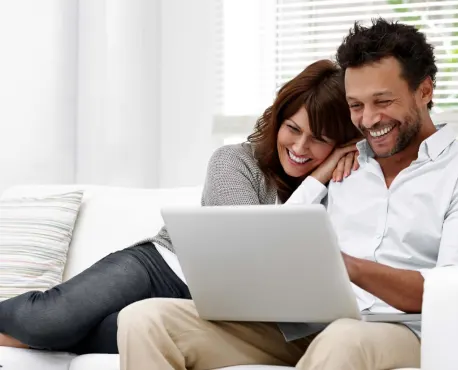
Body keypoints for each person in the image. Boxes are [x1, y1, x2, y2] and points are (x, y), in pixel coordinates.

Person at [116, 18, 458, 370]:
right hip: (303, 328)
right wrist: (318, 176)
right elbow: (274, 241)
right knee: (146, 319)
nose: (369, 120)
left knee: (343, 339)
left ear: (424, 90)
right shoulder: (345, 163)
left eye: (383, 102)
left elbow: (453, 294)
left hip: (402, 332)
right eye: (356, 105)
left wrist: (345, 266)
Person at [0, 60, 361, 354]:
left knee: (114, 333)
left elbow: (273, 282)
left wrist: (324, 183)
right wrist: (317, 180)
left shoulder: (342, 191)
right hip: (158, 266)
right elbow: (256, 247)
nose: (300, 146)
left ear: (340, 143)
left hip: (205, 310)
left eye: (319, 139)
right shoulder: (234, 161)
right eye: (292, 128)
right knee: (47, 321)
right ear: (277, 120)